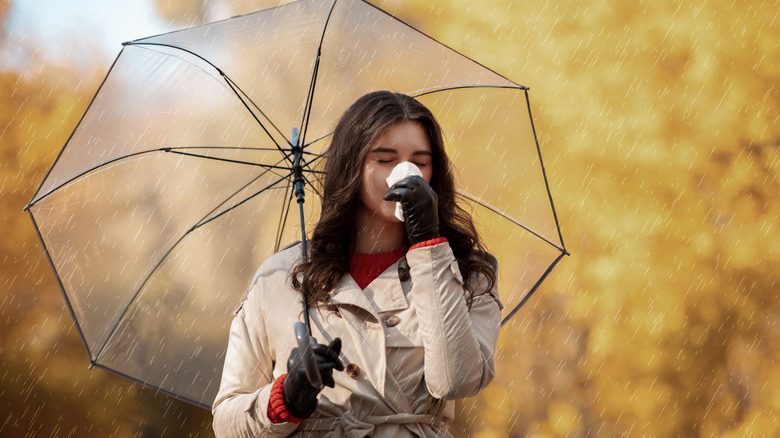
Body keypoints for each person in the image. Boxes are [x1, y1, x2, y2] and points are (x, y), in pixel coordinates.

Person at [212, 91, 502, 437]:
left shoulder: (466, 270)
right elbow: (227, 423)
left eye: (420, 162)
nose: (405, 174)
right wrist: (286, 399)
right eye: (385, 159)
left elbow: (456, 380)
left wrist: (428, 244)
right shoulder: (281, 277)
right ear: (352, 166)